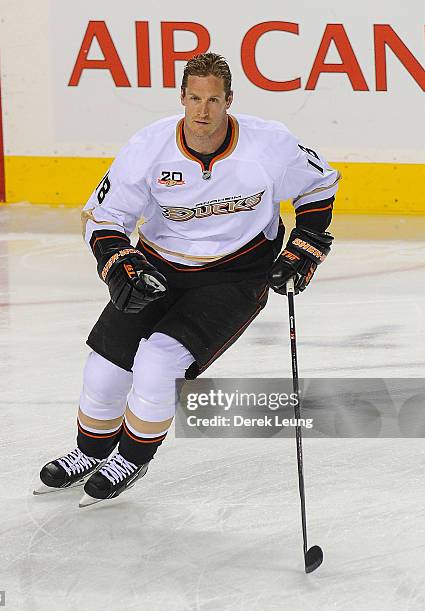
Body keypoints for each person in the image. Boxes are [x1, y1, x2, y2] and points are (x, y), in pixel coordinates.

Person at [35, 53, 339, 506]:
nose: (203, 111)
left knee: (158, 362)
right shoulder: (148, 147)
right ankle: (89, 452)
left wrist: (306, 244)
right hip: (158, 268)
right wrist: (120, 263)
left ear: (228, 100)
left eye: (213, 100)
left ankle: (131, 457)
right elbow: (104, 216)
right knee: (103, 370)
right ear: (181, 98)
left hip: (236, 273)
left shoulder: (269, 144)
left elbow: (319, 185)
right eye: (194, 98)